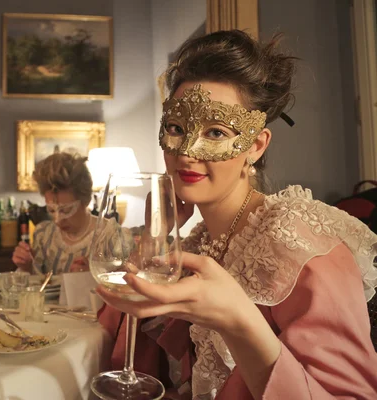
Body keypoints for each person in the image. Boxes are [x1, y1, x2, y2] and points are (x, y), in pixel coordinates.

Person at [97, 30, 377, 399]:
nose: (186, 152)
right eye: (176, 128)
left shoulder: (300, 241)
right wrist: (156, 233)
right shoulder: (200, 243)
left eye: (215, 132)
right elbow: (123, 345)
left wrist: (237, 320)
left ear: (256, 146)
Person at [12, 152, 97, 275]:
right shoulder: (43, 235)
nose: (57, 220)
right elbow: (39, 286)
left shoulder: (108, 237)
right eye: (51, 210)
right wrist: (27, 267)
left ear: (86, 200)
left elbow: (122, 288)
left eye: (66, 210)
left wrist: (92, 276)